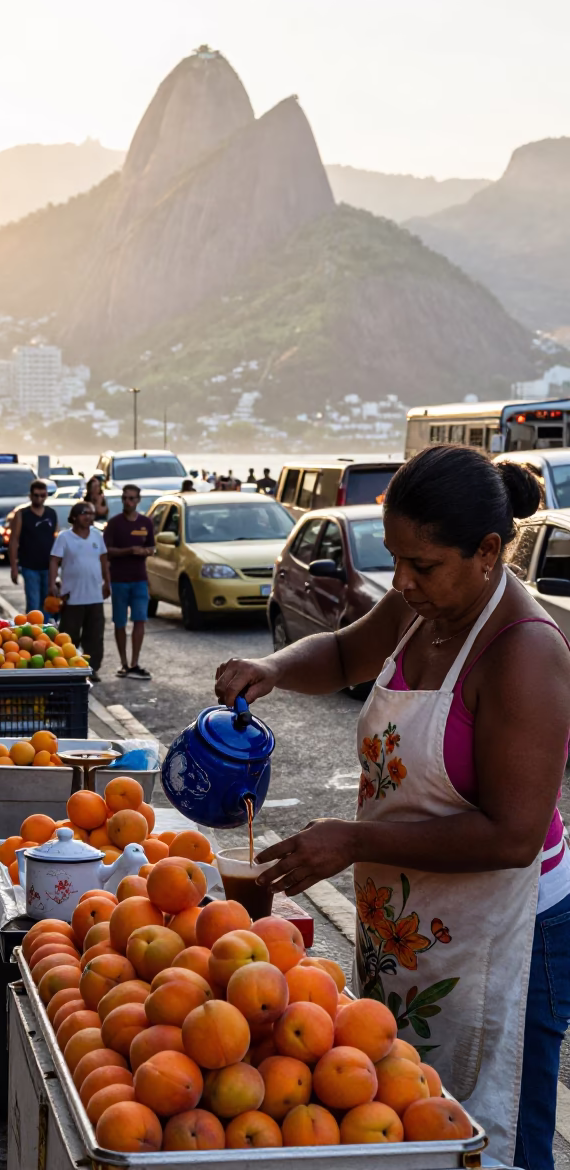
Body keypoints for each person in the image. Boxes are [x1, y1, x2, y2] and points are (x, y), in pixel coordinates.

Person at [215, 445, 570, 1169]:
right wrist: (273, 669)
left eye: (424, 566)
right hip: (414, 921)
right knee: (410, 1117)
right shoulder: (419, 609)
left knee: (495, 1131)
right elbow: (346, 653)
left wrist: (353, 840)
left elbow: (513, 835)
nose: (402, 581)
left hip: (508, 931)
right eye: (397, 560)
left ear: (488, 551)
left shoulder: (524, 652)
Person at [49, 501, 110, 683]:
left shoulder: (97, 536)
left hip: (94, 596)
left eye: (91, 513)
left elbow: (103, 559)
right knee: (69, 635)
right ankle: (68, 667)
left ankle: (92, 669)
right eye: (85, 513)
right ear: (74, 516)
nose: (89, 516)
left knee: (95, 636)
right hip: (72, 596)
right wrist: (52, 583)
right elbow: (54, 561)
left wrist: (108, 582)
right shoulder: (64, 537)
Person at [103, 484, 155, 679]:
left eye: (131, 498)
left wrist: (145, 551)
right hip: (119, 580)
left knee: (140, 620)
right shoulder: (114, 523)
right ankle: (123, 663)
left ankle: (134, 663)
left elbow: (152, 547)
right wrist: (129, 551)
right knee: (120, 622)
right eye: (125, 498)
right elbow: (106, 550)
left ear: (138, 500)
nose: (128, 501)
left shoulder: (146, 523)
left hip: (140, 579)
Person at [8, 480, 57, 619]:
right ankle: (33, 633)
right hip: (29, 566)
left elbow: (55, 540)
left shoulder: (51, 514)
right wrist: (14, 567)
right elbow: (14, 541)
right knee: (33, 604)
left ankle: (46, 634)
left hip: (48, 566)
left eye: (42, 495)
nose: (39, 498)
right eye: (36, 495)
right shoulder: (22, 514)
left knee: (48, 604)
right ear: (30, 496)